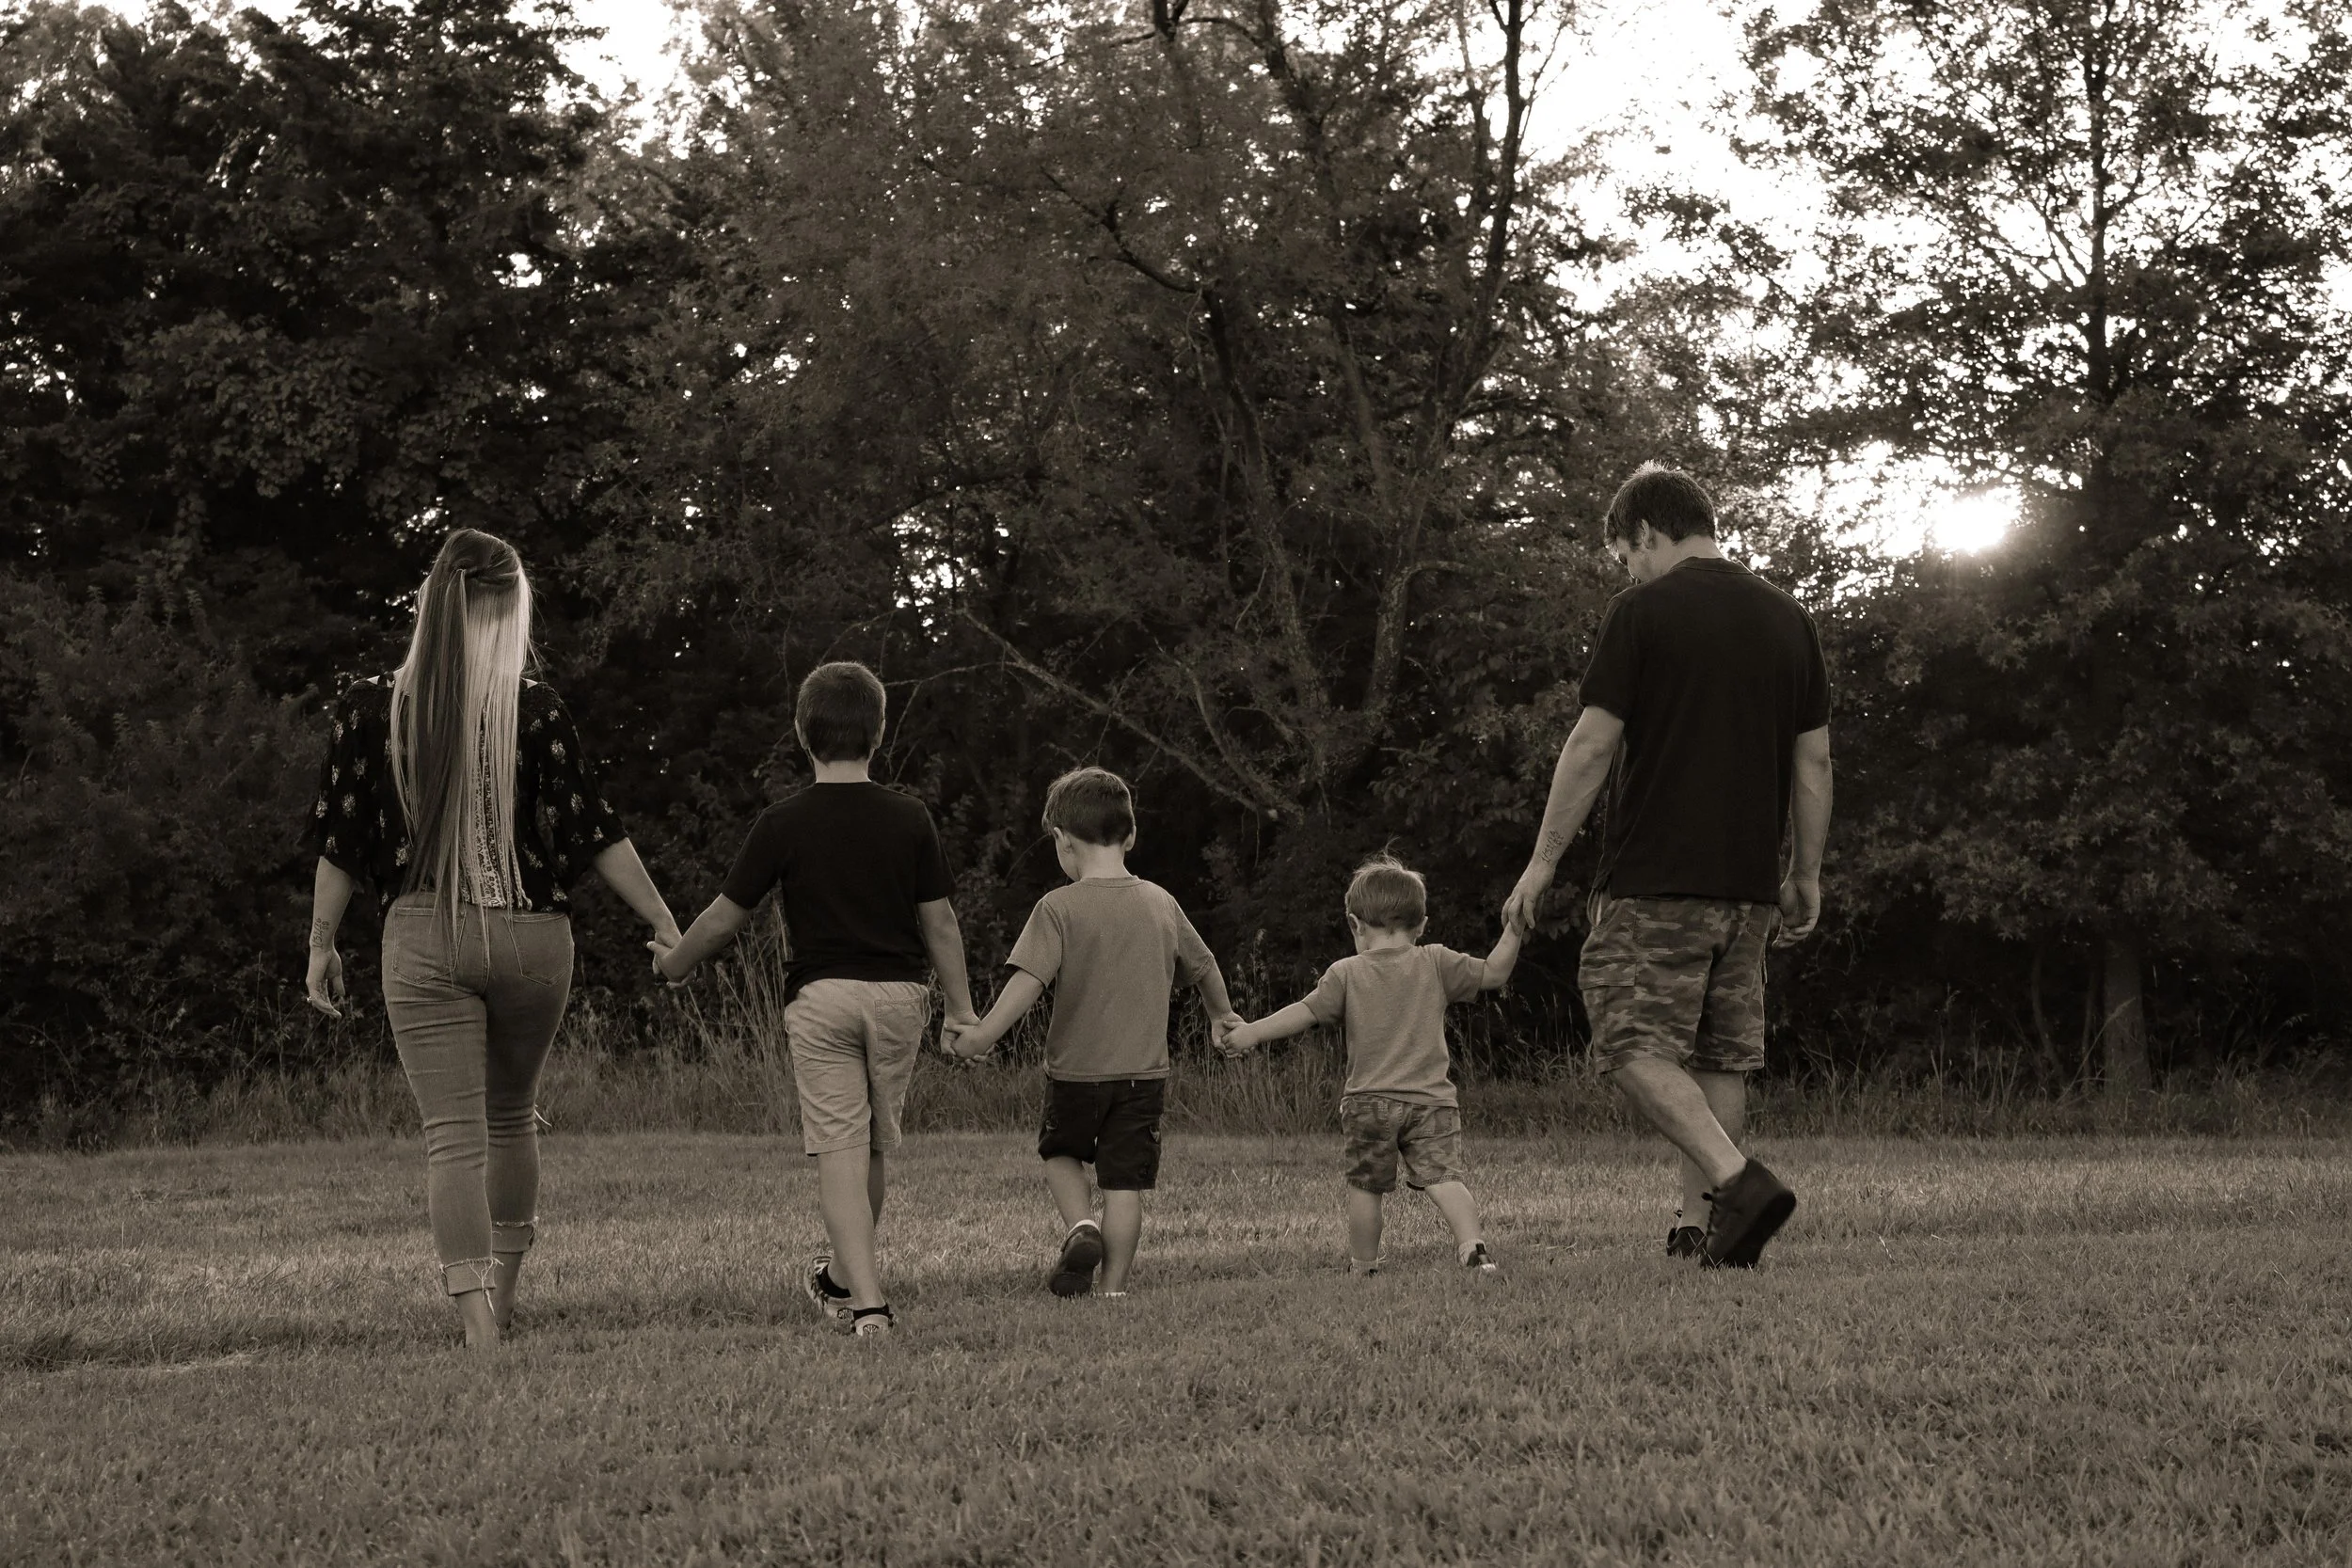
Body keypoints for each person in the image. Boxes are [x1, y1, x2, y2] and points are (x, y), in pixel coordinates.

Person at [304, 529, 680, 1350]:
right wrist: (661, 918)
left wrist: (320, 944)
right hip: (532, 938)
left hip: (423, 934)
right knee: (512, 1118)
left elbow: (340, 840)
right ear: (509, 605)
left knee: (452, 1136)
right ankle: (504, 1299)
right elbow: (595, 832)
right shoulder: (533, 707)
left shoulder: (372, 708)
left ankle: (477, 1331)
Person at [1502, 464, 1833, 1268]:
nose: (1630, 570)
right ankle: (1708, 1224)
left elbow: (1592, 743)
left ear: (1646, 533)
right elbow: (1815, 761)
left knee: (1629, 1040)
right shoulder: (1789, 618)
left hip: (1656, 879)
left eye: (1627, 555)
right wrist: (1806, 874)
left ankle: (1737, 1182)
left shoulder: (1643, 611)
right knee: (1719, 1054)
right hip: (1749, 887)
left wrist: (1544, 862)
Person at [654, 661, 977, 1337]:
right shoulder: (910, 816)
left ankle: (868, 1303)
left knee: (840, 1149)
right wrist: (961, 1008)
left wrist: (677, 962)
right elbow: (940, 921)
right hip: (898, 998)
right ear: (879, 733)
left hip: (823, 998)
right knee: (875, 1148)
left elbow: (725, 913)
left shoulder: (783, 822)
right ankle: (839, 1281)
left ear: (802, 734)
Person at [943, 768, 1240, 1299]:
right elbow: (1204, 965)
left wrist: (980, 1038)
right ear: (1130, 837)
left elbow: (1026, 985)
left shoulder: (1058, 907)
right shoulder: (1160, 902)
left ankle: (1082, 1227)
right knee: (1125, 1186)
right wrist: (1221, 1016)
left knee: (1060, 1154)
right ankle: (1114, 1290)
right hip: (1143, 1076)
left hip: (1075, 1073)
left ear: (1062, 841)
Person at [1223, 855, 1520, 1278]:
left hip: (1368, 1104)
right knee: (1444, 1179)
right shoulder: (1436, 961)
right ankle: (1474, 1249)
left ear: (1355, 925)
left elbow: (1305, 1012)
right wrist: (1516, 925)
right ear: (1421, 925)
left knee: (1365, 1188)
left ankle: (1363, 1268)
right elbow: (1495, 972)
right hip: (1431, 1103)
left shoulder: (1345, 972)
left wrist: (1252, 1032)